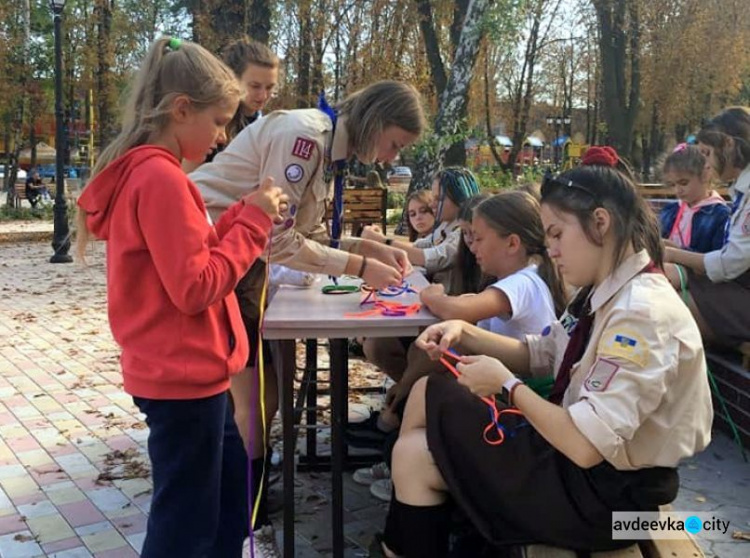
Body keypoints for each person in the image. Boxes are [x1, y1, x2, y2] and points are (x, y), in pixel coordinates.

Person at [378, 146, 713, 558]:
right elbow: (545, 352)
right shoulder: (606, 291)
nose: (550, 249)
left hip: (607, 499)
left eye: (556, 233)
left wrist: (506, 385)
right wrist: (464, 332)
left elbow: (586, 445)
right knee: (431, 394)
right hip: (585, 474)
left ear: (600, 224)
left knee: (415, 449)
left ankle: (425, 534)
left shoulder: (640, 314)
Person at [74, 37, 287, 558]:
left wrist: (241, 214)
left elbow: (193, 258)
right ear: (181, 109)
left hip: (191, 374)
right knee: (185, 521)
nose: (221, 136)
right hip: (183, 379)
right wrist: (255, 220)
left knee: (228, 501)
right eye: (217, 121)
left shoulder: (158, 177)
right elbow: (195, 288)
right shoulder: (161, 180)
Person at [191, 79, 423, 551]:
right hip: (216, 259)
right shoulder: (305, 138)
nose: (391, 158)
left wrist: (362, 245)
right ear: (377, 121)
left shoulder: (327, 149)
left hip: (239, 265)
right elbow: (275, 239)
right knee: (253, 402)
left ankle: (243, 503)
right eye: (394, 143)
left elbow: (308, 232)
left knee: (265, 400)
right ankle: (234, 516)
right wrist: (358, 266)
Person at [664, 107, 750, 347]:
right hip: (738, 288)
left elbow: (730, 264)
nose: (707, 164)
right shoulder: (742, 191)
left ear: (729, 145)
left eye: (708, 153)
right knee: (660, 286)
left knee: (661, 308)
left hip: (742, 294)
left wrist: (674, 254)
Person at [362, 167, 480, 288]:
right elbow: (418, 245)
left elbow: (430, 258)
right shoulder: (446, 226)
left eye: (438, 199)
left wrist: (382, 241)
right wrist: (381, 240)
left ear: (460, 199)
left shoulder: (463, 232)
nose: (431, 204)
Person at [659, 143, 729, 253]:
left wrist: (677, 252)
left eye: (684, 183)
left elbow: (718, 261)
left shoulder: (721, 215)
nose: (678, 190)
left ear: (705, 175)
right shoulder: (670, 210)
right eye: (672, 185)